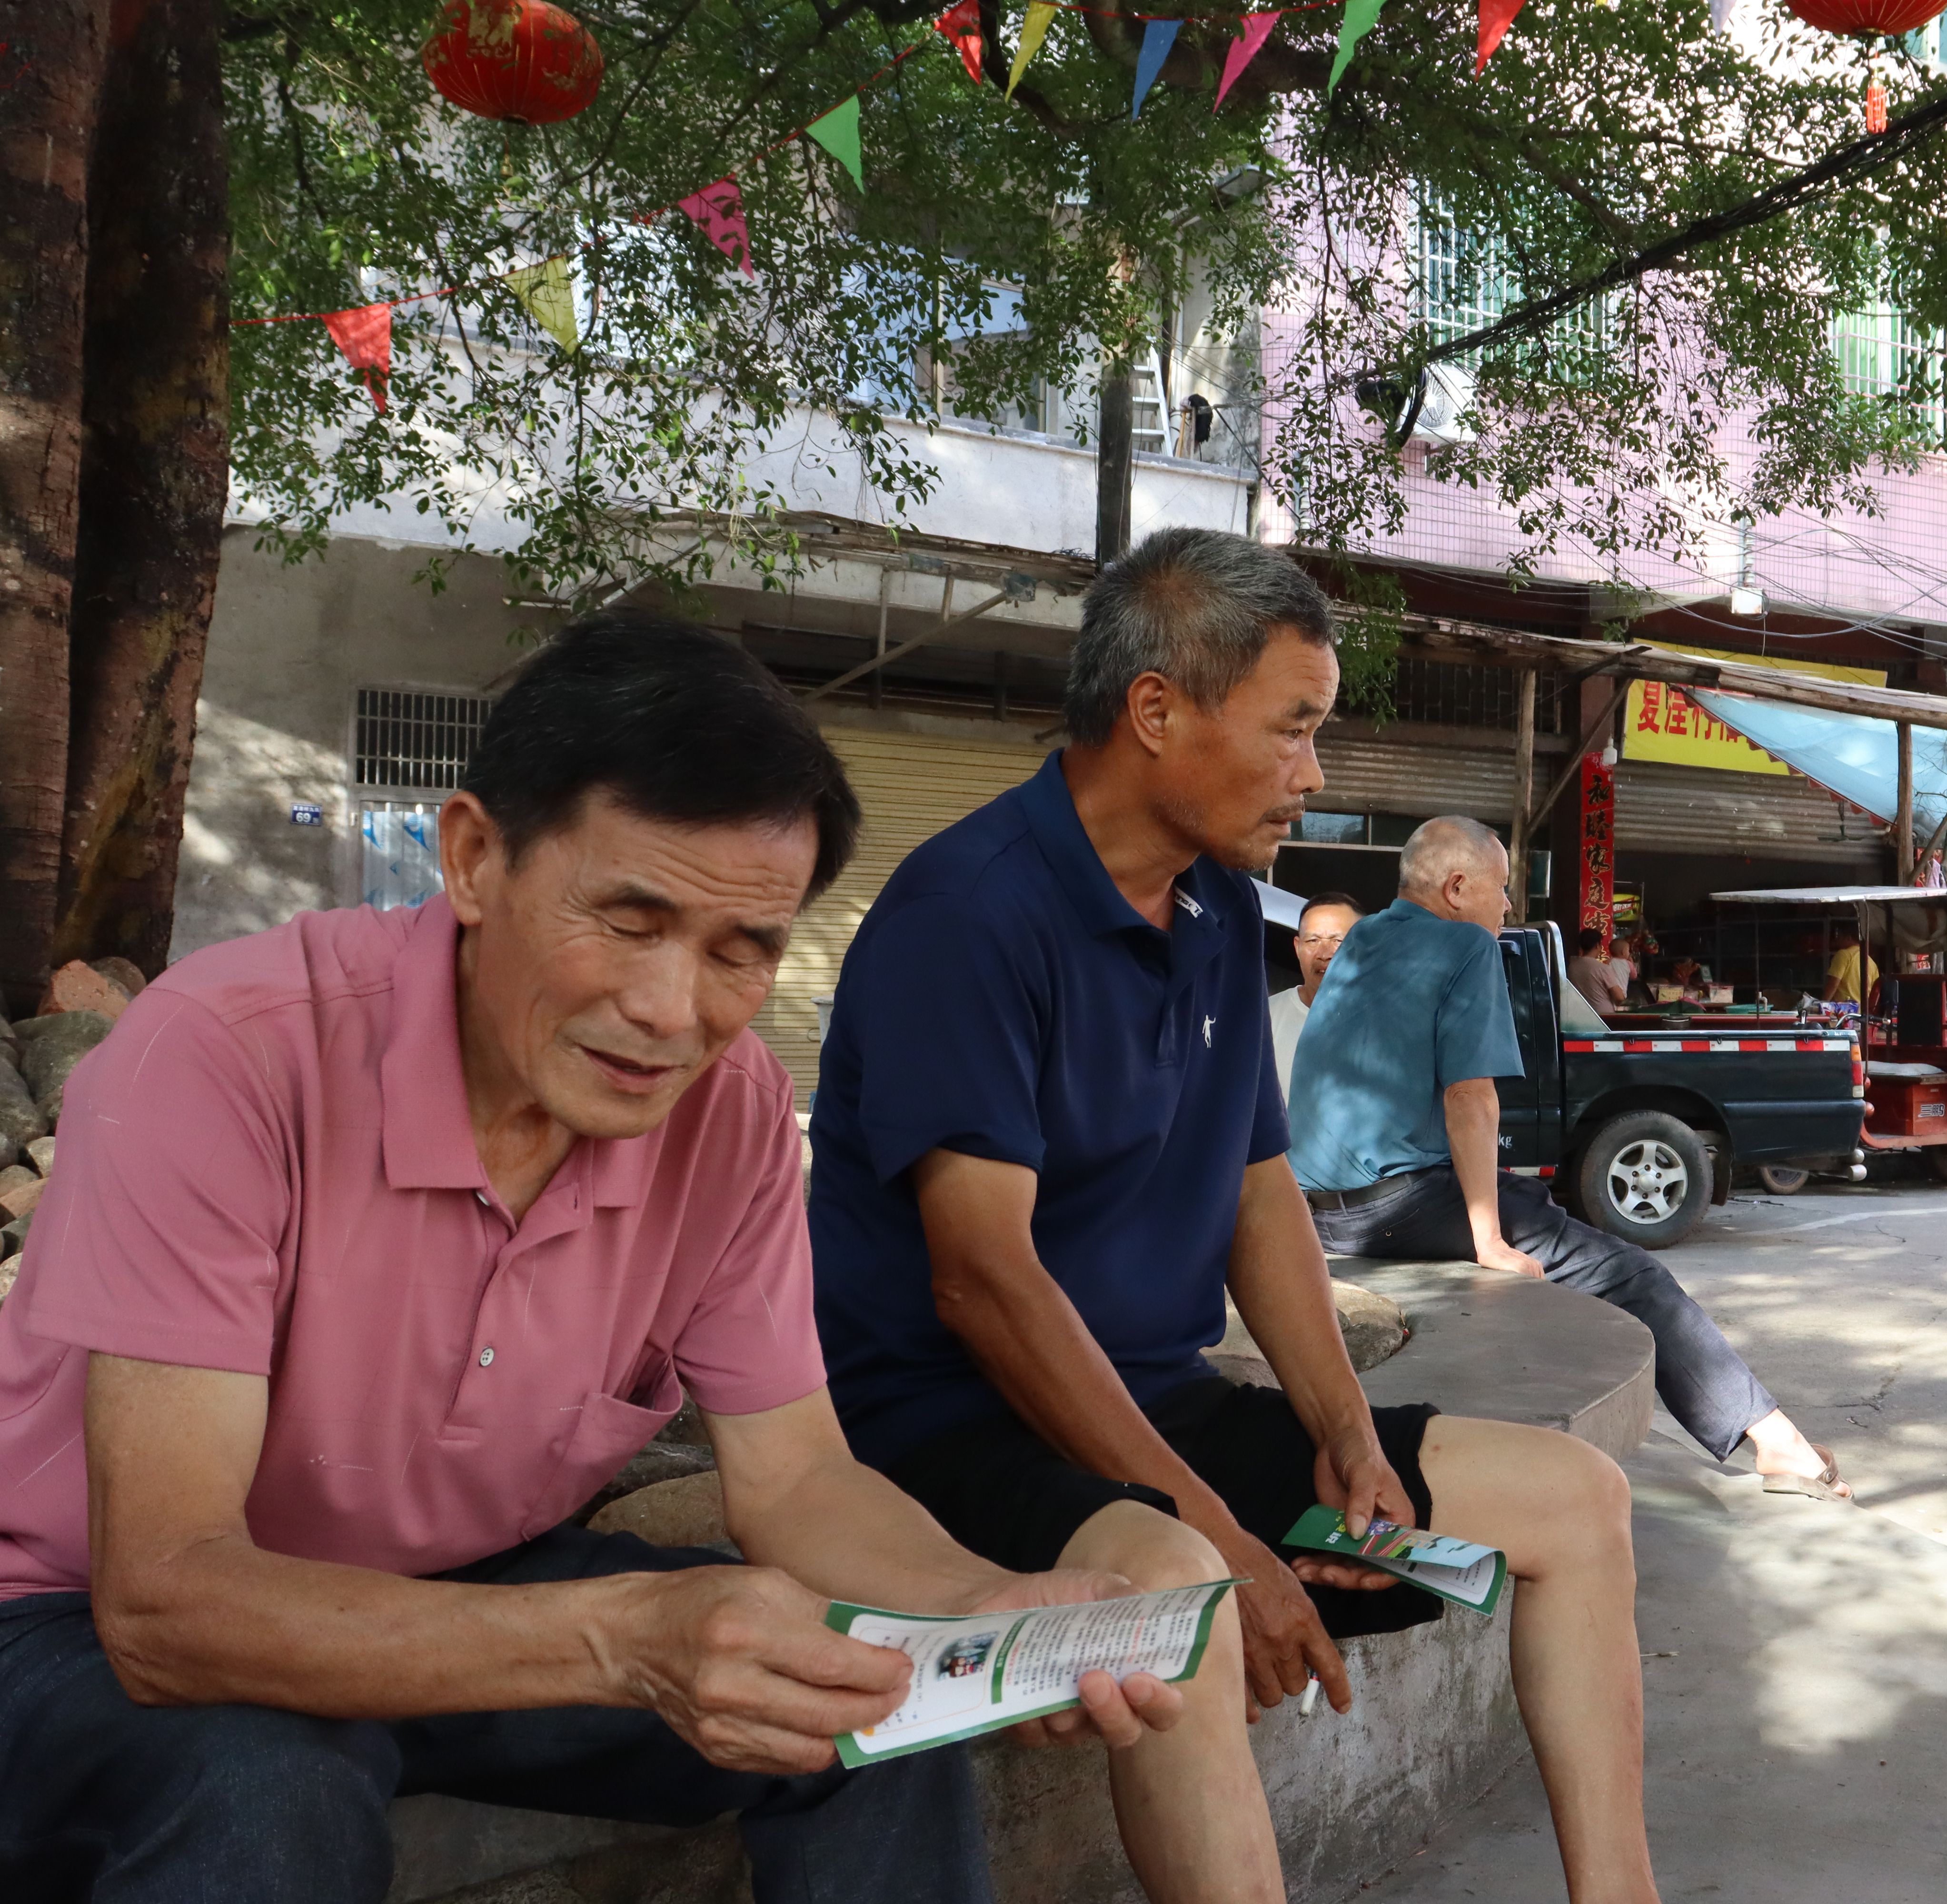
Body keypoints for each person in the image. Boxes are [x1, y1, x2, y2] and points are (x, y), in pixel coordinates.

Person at [0, 616, 1180, 1904]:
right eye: (629, 921)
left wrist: (988, 1609)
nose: (675, 1013)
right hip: (68, 1624)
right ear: (472, 858)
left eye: (742, 950)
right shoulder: (225, 1057)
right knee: (266, 1779)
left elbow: (795, 1483)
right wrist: (620, 1637)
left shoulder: (721, 1113)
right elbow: (168, 1601)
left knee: (860, 1698)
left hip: (460, 1591)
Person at [805, 529, 1659, 1904]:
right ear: (1158, 712)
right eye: (1296, 730)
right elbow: (983, 1284)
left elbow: (1260, 1193)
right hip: (950, 1433)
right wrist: (1226, 1534)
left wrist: (1335, 1433)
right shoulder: (967, 914)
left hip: (1154, 1410)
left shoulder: (1212, 907)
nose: (1316, 775)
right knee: (1187, 1593)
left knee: (1579, 1499)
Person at [1291, 816, 1849, 1500]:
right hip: (1398, 1204)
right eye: (1501, 891)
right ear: (1458, 888)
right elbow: (1471, 1097)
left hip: (1318, 1214)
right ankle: (1775, 1444)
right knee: (1631, 1274)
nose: (1508, 908)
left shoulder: (1360, 939)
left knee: (1540, 1216)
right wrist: (1487, 1237)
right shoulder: (1465, 945)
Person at [1269, 892, 1360, 1096]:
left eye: (1337, 940)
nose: (1324, 953)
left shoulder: (1385, 1021)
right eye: (1313, 940)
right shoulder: (1266, 1018)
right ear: (1297, 947)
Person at [1565, 925, 1626, 1016]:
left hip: (1579, 1014)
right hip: (1603, 1016)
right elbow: (1619, 997)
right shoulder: (1603, 968)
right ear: (1598, 945)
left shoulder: (1572, 966)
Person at [1822, 921, 1878, 1004]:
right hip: (1862, 1012)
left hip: (1844, 1012)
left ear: (1849, 938)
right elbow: (1875, 993)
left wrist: (1823, 1004)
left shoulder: (1844, 955)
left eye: (1840, 937)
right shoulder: (1872, 963)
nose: (1837, 940)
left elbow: (1834, 983)